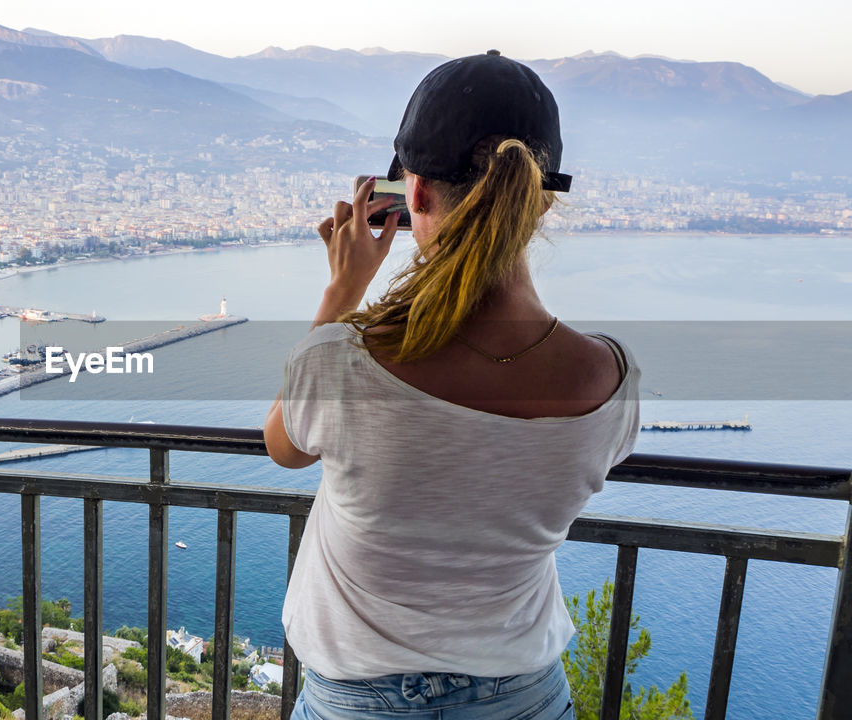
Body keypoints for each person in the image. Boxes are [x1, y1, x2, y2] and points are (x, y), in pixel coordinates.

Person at [263, 50, 641, 720]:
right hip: (527, 698)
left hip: (357, 701)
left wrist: (344, 286)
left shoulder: (345, 360)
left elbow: (285, 446)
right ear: (541, 202)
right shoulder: (610, 382)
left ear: (413, 194)